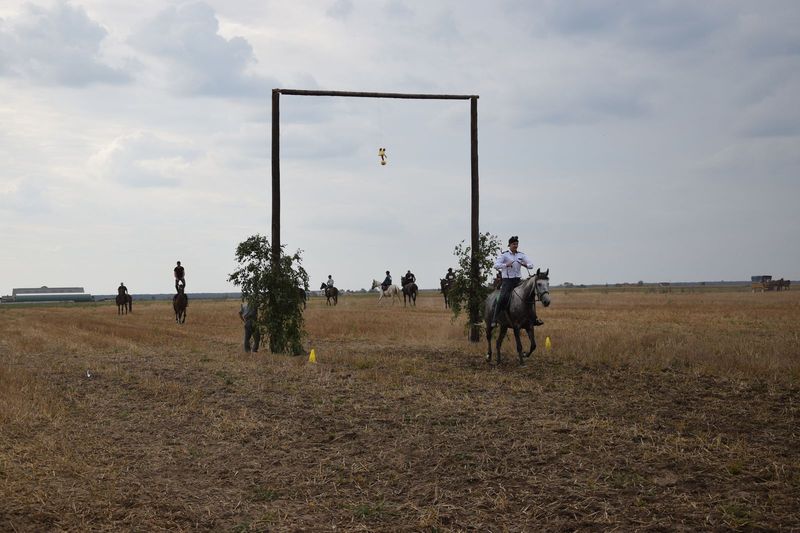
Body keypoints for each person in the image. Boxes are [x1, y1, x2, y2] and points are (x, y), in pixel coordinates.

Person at [491, 235, 543, 327]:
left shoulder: (521, 255)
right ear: (509, 245)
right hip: (507, 281)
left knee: (530, 296)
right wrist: (506, 264)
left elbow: (531, 265)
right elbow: (496, 265)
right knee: (503, 297)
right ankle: (494, 319)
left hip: (518, 280)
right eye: (514, 244)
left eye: (517, 244)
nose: (515, 246)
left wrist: (525, 264)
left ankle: (534, 318)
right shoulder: (504, 255)